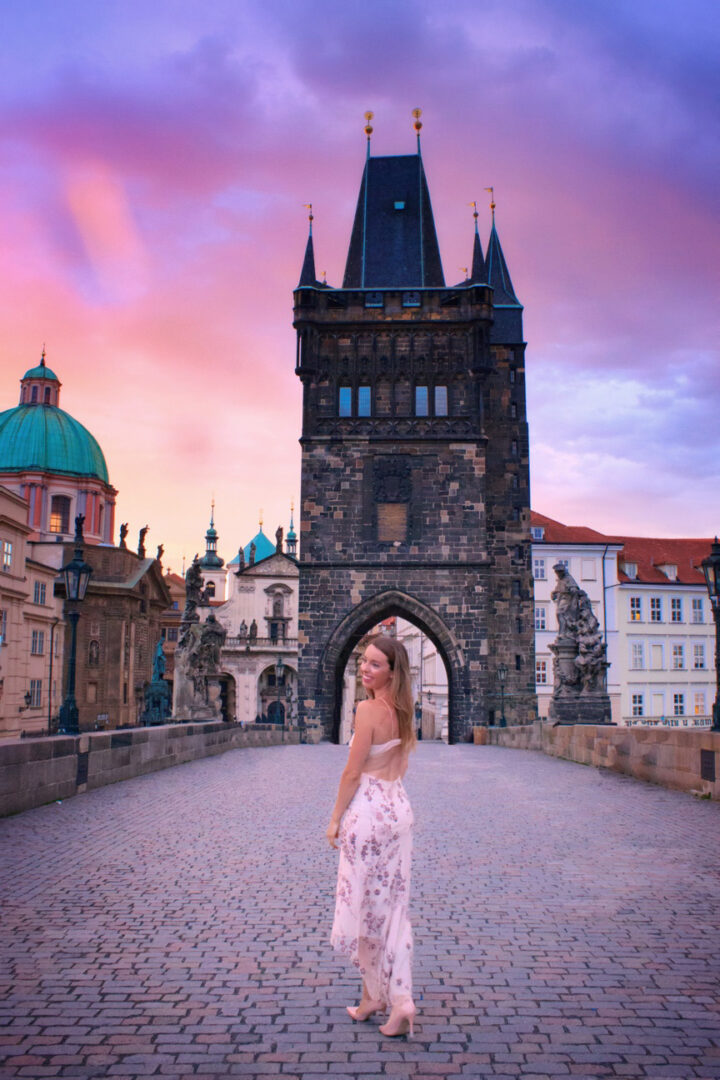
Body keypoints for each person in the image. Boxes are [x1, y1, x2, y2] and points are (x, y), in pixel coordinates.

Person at [326, 635, 417, 1037]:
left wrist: (334, 819)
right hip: (399, 811)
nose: (365, 668)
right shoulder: (403, 711)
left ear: (392, 674)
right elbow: (399, 764)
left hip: (369, 812)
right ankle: (384, 998)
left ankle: (389, 998)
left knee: (364, 907)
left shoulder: (366, 710)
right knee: (392, 907)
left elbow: (352, 771)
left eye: (376, 664)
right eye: (364, 660)